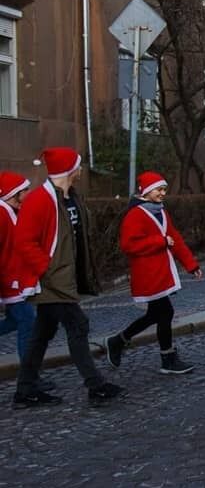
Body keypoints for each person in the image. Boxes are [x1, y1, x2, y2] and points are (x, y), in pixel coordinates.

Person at [12, 148, 124, 407]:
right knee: (78, 325)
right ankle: (95, 385)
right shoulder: (40, 200)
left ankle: (25, 388)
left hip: (63, 276)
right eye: (78, 165)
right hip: (53, 279)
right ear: (69, 170)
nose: (81, 170)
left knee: (42, 332)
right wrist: (47, 269)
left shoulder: (71, 197)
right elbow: (24, 241)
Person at [106, 172, 202, 374]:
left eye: (164, 189)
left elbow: (175, 238)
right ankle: (167, 358)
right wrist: (160, 241)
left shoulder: (161, 211)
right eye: (159, 189)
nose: (162, 193)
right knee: (165, 312)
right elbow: (129, 245)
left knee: (156, 314)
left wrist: (191, 265)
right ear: (147, 191)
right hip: (148, 274)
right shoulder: (136, 214)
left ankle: (118, 341)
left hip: (160, 272)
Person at [0, 172, 35, 363]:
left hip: (16, 280)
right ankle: (29, 376)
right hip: (10, 281)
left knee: (15, 321)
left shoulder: (12, 211)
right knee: (28, 322)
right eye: (25, 190)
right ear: (15, 193)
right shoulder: (2, 213)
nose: (29, 193)